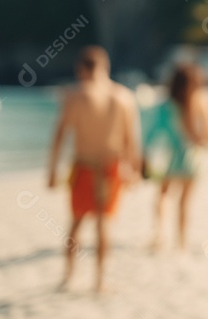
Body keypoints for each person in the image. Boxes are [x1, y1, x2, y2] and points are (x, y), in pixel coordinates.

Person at [46, 45, 141, 292]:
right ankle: (100, 280)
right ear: (105, 67)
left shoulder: (76, 95)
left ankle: (68, 277)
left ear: (81, 69)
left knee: (76, 223)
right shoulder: (124, 97)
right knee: (104, 225)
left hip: (84, 167)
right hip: (111, 169)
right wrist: (133, 171)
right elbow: (131, 141)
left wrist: (52, 170)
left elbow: (60, 135)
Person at [143, 63, 208, 251]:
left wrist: (144, 155)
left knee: (163, 195)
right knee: (185, 203)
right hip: (194, 158)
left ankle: (159, 234)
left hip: (170, 157)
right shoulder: (205, 101)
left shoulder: (167, 104)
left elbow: (152, 133)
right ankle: (181, 242)